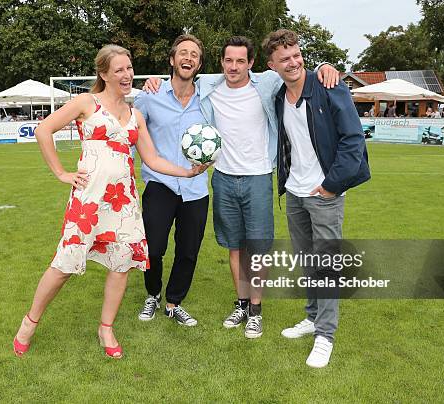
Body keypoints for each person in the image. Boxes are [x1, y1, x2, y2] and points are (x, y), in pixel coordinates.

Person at [12, 44, 208, 359]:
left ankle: (106, 328)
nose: (127, 75)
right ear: (104, 74)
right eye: (119, 70)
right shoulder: (85, 103)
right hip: (88, 202)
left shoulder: (136, 115)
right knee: (64, 264)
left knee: (120, 266)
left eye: (129, 68)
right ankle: (29, 322)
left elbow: (154, 159)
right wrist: (61, 173)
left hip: (123, 203)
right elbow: (43, 130)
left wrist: (187, 172)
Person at [145, 36, 339, 339]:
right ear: (221, 63)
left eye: (240, 61)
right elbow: (180, 76)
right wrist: (154, 80)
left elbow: (295, 72)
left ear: (251, 63)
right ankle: (242, 303)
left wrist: (325, 66)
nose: (233, 67)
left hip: (258, 177)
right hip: (222, 178)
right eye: (228, 60)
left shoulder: (267, 84)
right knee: (235, 247)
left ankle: (256, 311)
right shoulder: (209, 86)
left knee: (258, 249)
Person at [263, 29, 370, 368]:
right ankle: (312, 319)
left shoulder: (330, 86)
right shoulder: (279, 95)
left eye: (296, 54)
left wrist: (331, 185)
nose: (293, 62)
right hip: (295, 193)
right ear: (272, 65)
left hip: (324, 194)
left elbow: (353, 140)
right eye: (284, 58)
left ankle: (325, 334)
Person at [134, 34, 209, 326]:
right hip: (160, 184)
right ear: (172, 59)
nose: (188, 58)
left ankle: (174, 302)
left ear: (199, 64)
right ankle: (152, 294)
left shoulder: (207, 99)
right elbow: (130, 134)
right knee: (153, 247)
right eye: (183, 53)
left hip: (195, 189)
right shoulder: (150, 96)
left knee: (188, 250)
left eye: (194, 55)